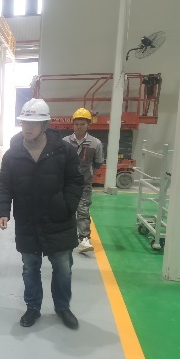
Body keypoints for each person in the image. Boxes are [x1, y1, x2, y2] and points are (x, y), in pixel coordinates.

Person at [0, 98, 84, 329]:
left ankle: (63, 308)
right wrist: (3, 210)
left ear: (45, 125)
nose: (27, 127)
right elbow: (5, 185)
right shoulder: (12, 154)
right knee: (30, 267)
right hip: (28, 220)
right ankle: (33, 307)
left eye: (33, 123)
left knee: (63, 267)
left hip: (58, 220)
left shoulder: (64, 150)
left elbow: (76, 181)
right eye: (24, 122)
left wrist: (66, 206)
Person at [63, 108, 104, 253]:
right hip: (66, 184)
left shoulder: (95, 143)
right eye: (76, 124)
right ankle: (64, 235)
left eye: (82, 124)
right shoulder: (65, 142)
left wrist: (87, 174)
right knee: (65, 209)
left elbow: (98, 163)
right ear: (73, 125)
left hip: (84, 184)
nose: (79, 127)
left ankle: (84, 239)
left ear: (88, 125)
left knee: (83, 210)